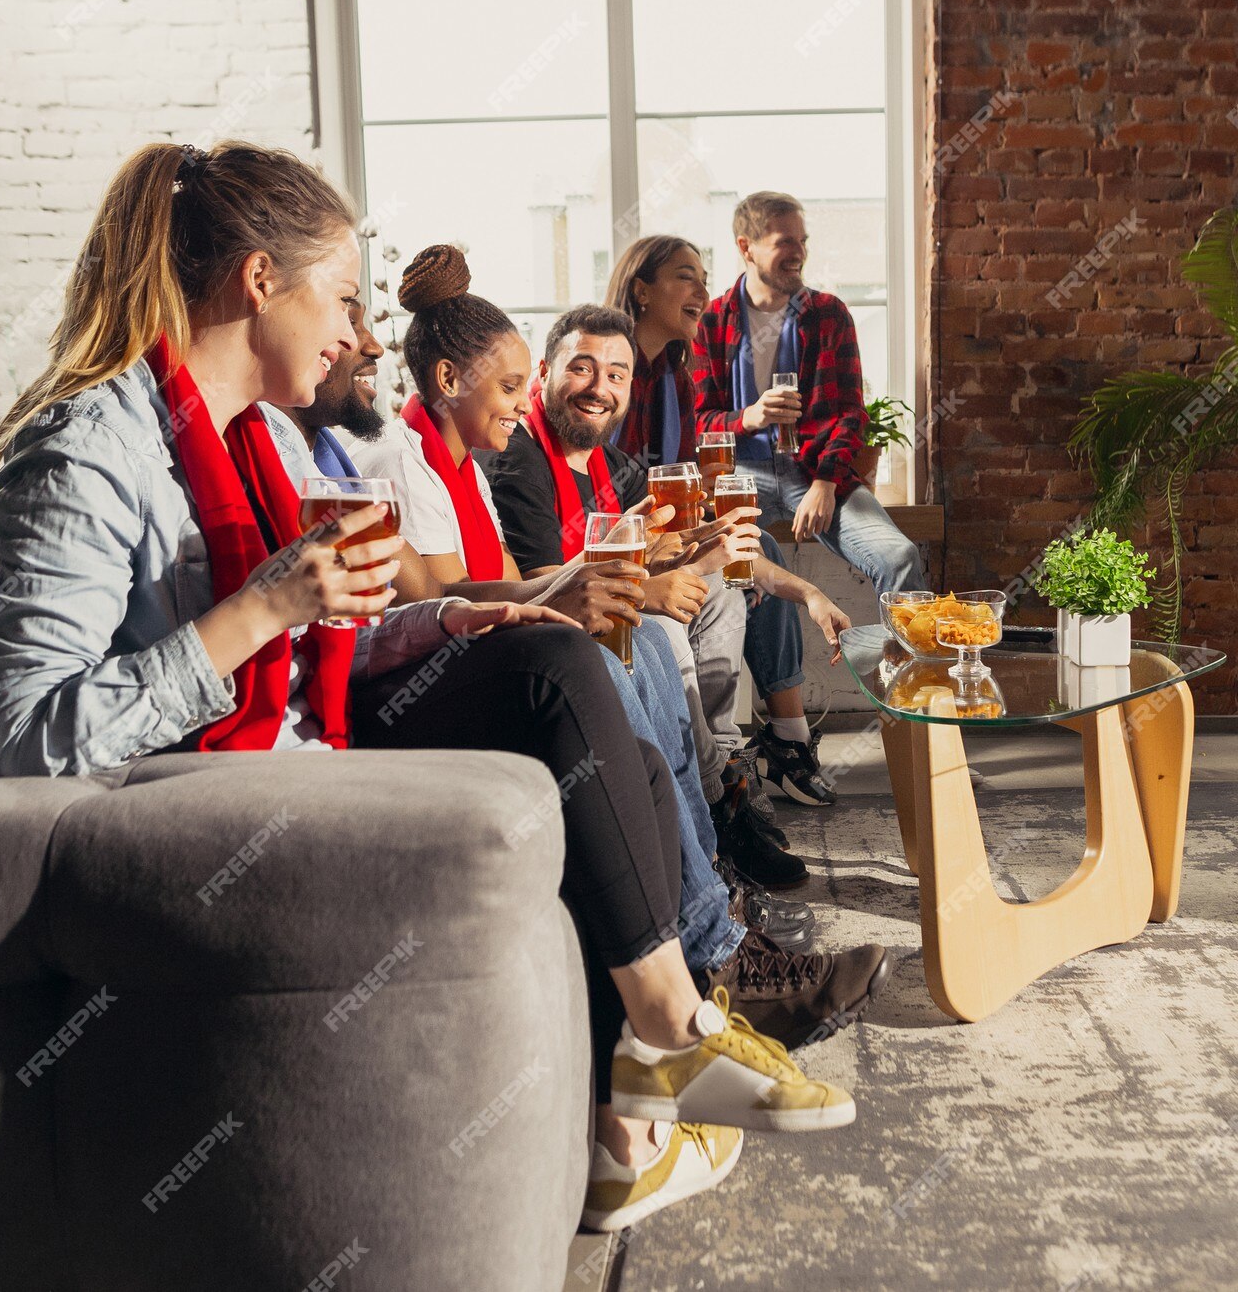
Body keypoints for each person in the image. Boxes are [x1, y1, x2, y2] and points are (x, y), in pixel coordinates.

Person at [0, 142, 854, 1235]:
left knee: (554, 661)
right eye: (341, 298)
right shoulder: (86, 450)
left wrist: (452, 618)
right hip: (204, 779)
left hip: (307, 729)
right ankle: (673, 1039)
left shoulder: (267, 445)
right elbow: (28, 728)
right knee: (571, 669)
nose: (359, 333)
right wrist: (265, 607)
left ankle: (657, 1055)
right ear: (258, 282)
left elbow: (338, 630)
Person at [346, 250, 891, 1048]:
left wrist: (647, 552)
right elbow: (442, 598)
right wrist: (603, 582)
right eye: (512, 387)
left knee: (655, 648)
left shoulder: (471, 461)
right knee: (623, 649)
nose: (519, 405)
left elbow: (508, 581)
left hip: (472, 656)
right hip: (420, 683)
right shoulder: (410, 461)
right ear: (450, 379)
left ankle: (711, 911)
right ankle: (719, 944)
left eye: (617, 373)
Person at [481, 299, 832, 882]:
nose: (599, 388)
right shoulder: (520, 460)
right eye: (581, 367)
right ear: (544, 375)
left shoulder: (609, 465)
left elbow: (690, 543)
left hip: (606, 616)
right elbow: (548, 589)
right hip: (551, 641)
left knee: (717, 589)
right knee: (667, 628)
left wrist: (808, 595)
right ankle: (719, 796)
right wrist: (650, 589)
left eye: (616, 375)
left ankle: (725, 767)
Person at [607, 233, 851, 809]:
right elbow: (608, 500)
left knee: (753, 543)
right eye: (685, 276)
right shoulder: (614, 377)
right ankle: (754, 753)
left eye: (703, 276)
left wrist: (730, 541)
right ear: (642, 291)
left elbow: (687, 486)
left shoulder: (673, 375)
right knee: (742, 564)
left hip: (660, 528)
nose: (703, 289)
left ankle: (776, 742)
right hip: (616, 541)